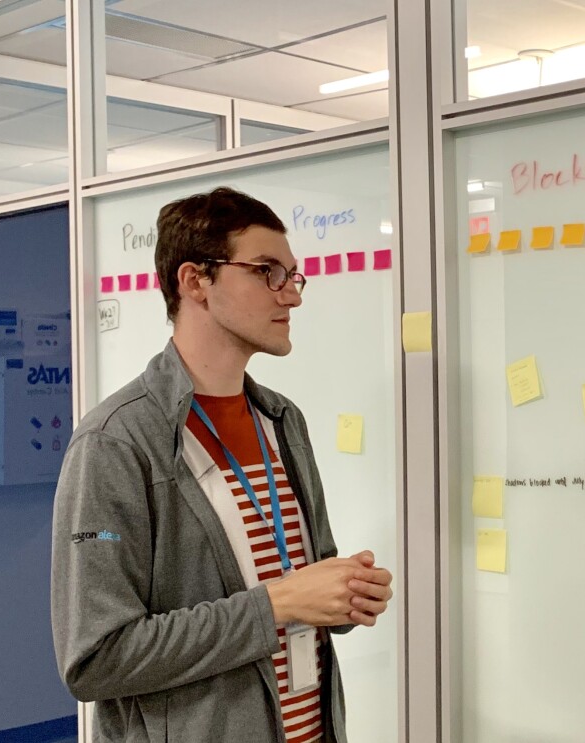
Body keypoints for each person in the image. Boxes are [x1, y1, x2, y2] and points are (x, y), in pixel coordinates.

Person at [51, 187, 393, 743]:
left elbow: (303, 579)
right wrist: (277, 604)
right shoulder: (115, 442)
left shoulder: (283, 421)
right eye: (267, 272)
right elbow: (96, 658)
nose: (292, 296)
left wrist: (343, 596)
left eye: (294, 276)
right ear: (195, 282)